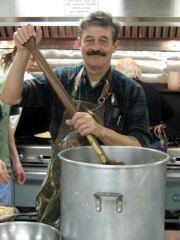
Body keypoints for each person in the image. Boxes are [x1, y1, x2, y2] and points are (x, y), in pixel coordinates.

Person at [1, 11, 151, 228]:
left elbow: (141, 148)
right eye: (89, 40)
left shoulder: (130, 90)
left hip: (109, 194)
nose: (95, 47)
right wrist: (23, 52)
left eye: (103, 41)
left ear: (115, 46)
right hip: (61, 192)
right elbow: (10, 96)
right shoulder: (60, 79)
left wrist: (101, 131)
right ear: (79, 43)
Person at [116, 57, 175, 152]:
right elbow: (170, 113)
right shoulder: (152, 89)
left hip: (133, 141)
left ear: (120, 73)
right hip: (155, 140)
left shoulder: (123, 91)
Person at [0, 75, 26, 205]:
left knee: (4, 221)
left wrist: (16, 161)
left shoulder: (6, 85)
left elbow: (6, 124)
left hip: (3, 174)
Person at [0, 47, 37, 133]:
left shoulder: (4, 68)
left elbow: (8, 123)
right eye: (32, 59)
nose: (35, 64)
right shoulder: (23, 78)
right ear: (18, 56)